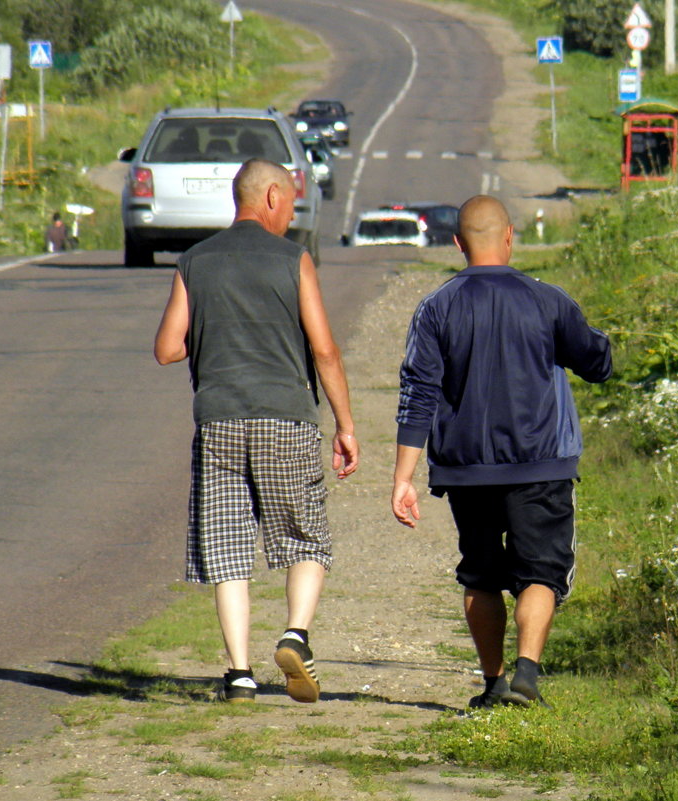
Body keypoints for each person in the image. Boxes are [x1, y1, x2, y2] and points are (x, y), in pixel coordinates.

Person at [390, 195, 612, 709]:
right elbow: (596, 359)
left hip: (466, 469)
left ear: (457, 244)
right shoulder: (547, 299)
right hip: (542, 462)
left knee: (481, 574)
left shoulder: (435, 307)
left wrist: (403, 477)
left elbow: (417, 392)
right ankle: (528, 675)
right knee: (542, 571)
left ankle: (493, 683)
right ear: (510, 236)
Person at [154, 158, 358, 704]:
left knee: (227, 545)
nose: (292, 213)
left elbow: (168, 348)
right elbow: (323, 349)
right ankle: (295, 634)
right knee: (304, 534)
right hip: (285, 417)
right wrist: (346, 424)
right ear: (269, 197)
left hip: (218, 418)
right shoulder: (294, 259)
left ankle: (239, 674)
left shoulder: (194, 261)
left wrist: (219, 329)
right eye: (290, 200)